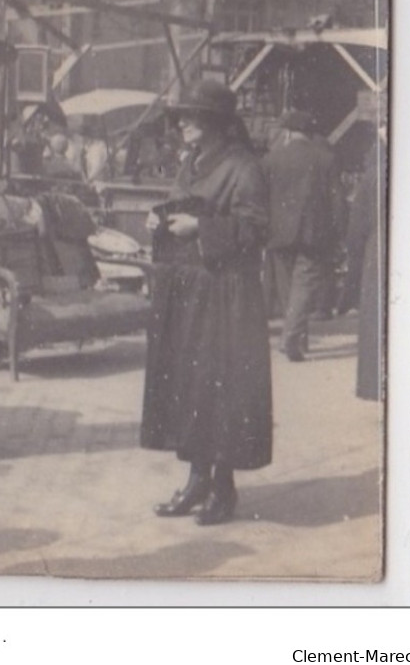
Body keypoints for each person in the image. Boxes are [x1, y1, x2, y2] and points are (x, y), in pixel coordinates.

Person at [141, 80, 272, 526]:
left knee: (221, 390)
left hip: (227, 296)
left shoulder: (243, 166)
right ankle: (197, 480)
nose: (182, 124)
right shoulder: (192, 164)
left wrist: (200, 229)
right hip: (191, 291)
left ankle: (223, 487)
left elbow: (255, 229)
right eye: (180, 117)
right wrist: (160, 219)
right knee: (191, 388)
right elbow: (187, 208)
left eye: (192, 117)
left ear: (216, 123)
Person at [262, 110, 346, 362]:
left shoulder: (270, 160)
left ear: (287, 132)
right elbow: (338, 202)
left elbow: (261, 199)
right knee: (304, 288)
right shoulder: (326, 159)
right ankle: (292, 338)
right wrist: (338, 234)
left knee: (290, 290)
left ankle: (297, 340)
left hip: (277, 235)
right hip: (313, 234)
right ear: (310, 134)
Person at [346, 123, 387, 401]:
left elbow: (357, 226)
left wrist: (354, 257)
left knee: (377, 318)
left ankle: (375, 384)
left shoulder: (375, 173)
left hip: (379, 250)